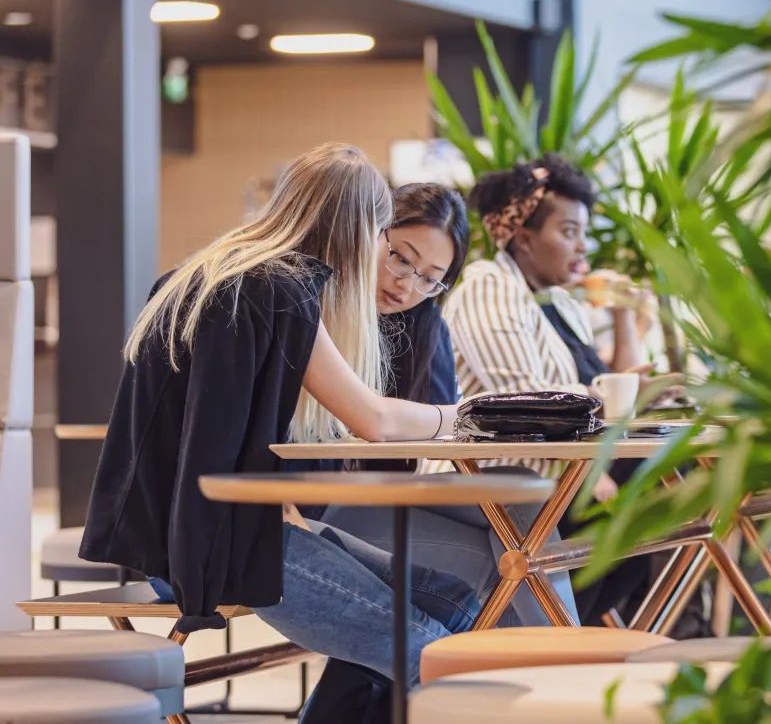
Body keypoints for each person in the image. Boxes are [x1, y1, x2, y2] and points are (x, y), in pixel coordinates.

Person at [78, 144, 492, 688]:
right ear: (359, 228)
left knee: (453, 601)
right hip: (212, 542)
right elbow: (376, 422)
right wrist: (469, 415)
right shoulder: (280, 290)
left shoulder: (201, 275)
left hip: (193, 529)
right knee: (432, 651)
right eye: (384, 239)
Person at [301, 183, 576, 722]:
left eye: (431, 278)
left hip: (380, 496)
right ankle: (562, 689)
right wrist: (460, 417)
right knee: (497, 563)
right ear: (372, 235)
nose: (407, 284)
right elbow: (383, 424)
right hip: (315, 503)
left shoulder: (423, 322)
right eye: (400, 258)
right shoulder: (315, 305)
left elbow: (429, 438)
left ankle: (564, 674)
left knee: (523, 505)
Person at [444, 155, 667, 624]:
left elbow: (600, 389)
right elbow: (525, 401)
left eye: (584, 233)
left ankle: (558, 644)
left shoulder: (561, 302)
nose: (582, 247)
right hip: (508, 477)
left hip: (564, 472)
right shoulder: (489, 287)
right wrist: (595, 469)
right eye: (569, 232)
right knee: (654, 497)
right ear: (523, 236)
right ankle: (540, 645)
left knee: (654, 509)